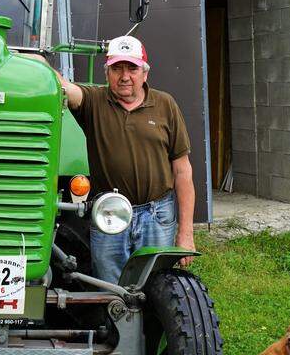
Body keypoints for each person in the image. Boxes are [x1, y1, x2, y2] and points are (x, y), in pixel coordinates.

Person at [56, 35, 194, 283]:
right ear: (107, 72)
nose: (124, 76)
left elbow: (182, 171)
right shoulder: (94, 102)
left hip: (157, 214)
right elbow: (62, 86)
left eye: (132, 68)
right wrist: (29, 59)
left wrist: (186, 232)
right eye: (117, 68)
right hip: (109, 216)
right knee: (110, 290)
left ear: (145, 73)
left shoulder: (166, 105)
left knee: (158, 287)